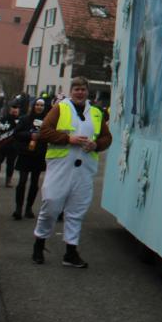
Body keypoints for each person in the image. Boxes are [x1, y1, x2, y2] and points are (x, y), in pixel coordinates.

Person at [31, 78, 112, 268]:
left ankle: (71, 251)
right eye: (76, 89)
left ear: (87, 92)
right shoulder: (61, 108)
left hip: (84, 168)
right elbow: (45, 131)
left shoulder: (96, 112)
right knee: (51, 204)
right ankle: (39, 243)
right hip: (60, 164)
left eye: (83, 89)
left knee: (77, 211)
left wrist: (96, 144)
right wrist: (68, 139)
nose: (80, 93)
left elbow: (107, 137)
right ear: (71, 91)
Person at [12, 99, 48, 220]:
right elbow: (16, 133)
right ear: (33, 106)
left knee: (34, 183)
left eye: (42, 105)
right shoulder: (25, 119)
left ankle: (29, 208)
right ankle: (18, 208)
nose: (39, 107)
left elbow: (49, 135)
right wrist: (30, 135)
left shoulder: (47, 121)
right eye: (37, 105)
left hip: (38, 156)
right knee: (22, 182)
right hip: (25, 154)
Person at [0, 98, 20, 188]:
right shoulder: (4, 119)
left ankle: (8, 181)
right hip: (2, 145)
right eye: (13, 108)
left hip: (13, 147)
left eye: (16, 108)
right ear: (10, 110)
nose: (15, 110)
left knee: (10, 164)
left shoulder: (20, 120)